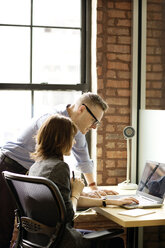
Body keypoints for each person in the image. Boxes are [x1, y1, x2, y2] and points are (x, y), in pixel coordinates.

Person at [0, 92, 118, 247]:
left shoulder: (74, 131)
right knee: (3, 226)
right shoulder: (51, 121)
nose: (95, 127)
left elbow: (83, 159)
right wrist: (75, 191)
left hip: (27, 173)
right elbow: (68, 214)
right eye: (94, 120)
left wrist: (93, 187)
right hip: (9, 164)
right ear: (82, 109)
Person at [28, 114, 137, 248]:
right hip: (62, 241)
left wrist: (110, 201)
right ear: (60, 140)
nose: (73, 142)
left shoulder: (37, 166)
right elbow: (69, 215)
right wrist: (75, 192)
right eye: (72, 138)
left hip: (42, 239)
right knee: (116, 242)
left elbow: (64, 203)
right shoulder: (59, 167)